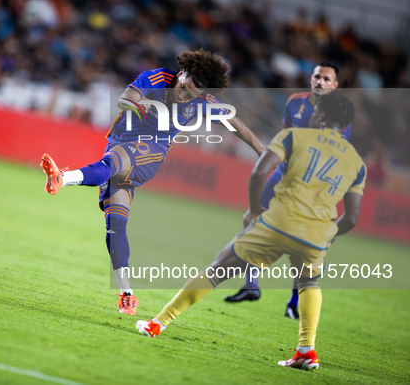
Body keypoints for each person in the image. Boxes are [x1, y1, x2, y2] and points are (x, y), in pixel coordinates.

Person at [136, 91, 365, 371]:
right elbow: (352, 217)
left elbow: (260, 171)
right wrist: (330, 234)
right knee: (308, 283)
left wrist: (255, 209)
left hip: (278, 222)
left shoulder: (295, 135)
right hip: (316, 234)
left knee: (217, 269)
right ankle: (306, 350)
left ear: (323, 115)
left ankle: (158, 322)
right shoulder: (357, 162)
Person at [41, 49, 265, 315]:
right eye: (185, 88)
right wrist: (142, 105)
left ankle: (62, 178)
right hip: (119, 143)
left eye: (192, 94)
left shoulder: (203, 100)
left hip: (151, 153)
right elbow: (125, 100)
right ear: (182, 73)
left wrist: (264, 152)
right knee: (116, 227)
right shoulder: (156, 78)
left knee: (114, 163)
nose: (185, 95)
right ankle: (127, 295)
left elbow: (234, 123)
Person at [224, 61, 349, 321]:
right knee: (251, 217)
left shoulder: (339, 112)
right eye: (317, 77)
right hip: (283, 174)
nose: (320, 82)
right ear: (311, 79)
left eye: (326, 79)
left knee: (307, 244)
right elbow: (286, 134)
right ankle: (251, 285)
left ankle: (293, 302)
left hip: (314, 184)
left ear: (335, 85)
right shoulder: (295, 102)